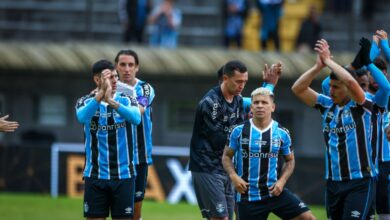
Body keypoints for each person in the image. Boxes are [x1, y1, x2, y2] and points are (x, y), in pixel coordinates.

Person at [291, 39, 383, 219]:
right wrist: (318, 67)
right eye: (330, 86)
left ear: (347, 89)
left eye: (336, 87)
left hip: (360, 181)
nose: (331, 91)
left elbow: (349, 79)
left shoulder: (363, 105)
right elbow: (298, 89)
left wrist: (328, 61)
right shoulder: (327, 105)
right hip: (333, 182)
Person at [189, 60, 281, 220]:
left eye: (245, 82)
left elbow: (258, 104)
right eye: (238, 81)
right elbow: (219, 141)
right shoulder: (211, 104)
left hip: (228, 168)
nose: (242, 85)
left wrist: (269, 85)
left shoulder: (238, 99)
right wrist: (248, 134)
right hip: (207, 167)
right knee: (221, 218)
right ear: (225, 78)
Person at [222, 87, 315, 220]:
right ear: (251, 107)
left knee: (308, 218)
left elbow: (290, 160)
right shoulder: (238, 131)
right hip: (248, 196)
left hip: (275, 194)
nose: (260, 106)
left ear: (272, 107)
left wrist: (282, 181)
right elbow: (226, 156)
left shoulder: (282, 133)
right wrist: (233, 176)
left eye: (264, 103)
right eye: (256, 102)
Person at [75, 59, 141, 220]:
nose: (114, 80)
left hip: (124, 175)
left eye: (115, 76)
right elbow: (82, 117)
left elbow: (136, 118)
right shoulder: (85, 101)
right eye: (109, 77)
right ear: (97, 80)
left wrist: (111, 101)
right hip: (95, 175)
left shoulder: (126, 100)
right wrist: (100, 97)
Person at [115, 49, 155, 220]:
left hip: (139, 156)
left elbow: (139, 110)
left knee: (135, 211)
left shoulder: (145, 88)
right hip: (116, 157)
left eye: (131, 65)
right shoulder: (109, 87)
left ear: (137, 67)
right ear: (116, 66)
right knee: (116, 210)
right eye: (123, 64)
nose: (127, 69)